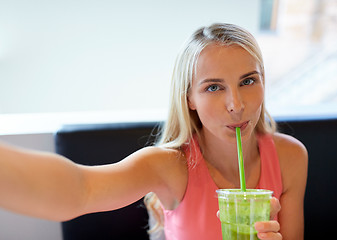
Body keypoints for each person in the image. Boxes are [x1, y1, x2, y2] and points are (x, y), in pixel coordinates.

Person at [0, 23, 308, 240]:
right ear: (189, 98)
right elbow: (80, 189)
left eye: (248, 81)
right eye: (214, 87)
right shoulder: (169, 166)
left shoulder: (290, 156)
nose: (236, 104)